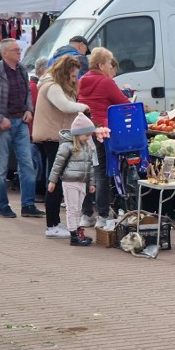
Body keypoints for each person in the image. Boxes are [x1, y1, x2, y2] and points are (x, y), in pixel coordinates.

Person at [0, 39, 45, 219]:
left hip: (20, 123)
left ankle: (28, 205)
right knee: (0, 168)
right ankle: (3, 206)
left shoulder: (22, 70)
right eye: (15, 50)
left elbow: (27, 92)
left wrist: (29, 109)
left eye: (19, 49)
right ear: (4, 53)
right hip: (3, 126)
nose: (19, 52)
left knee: (28, 165)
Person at [32, 56, 90, 239]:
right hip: (53, 137)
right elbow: (65, 106)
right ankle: (52, 225)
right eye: (72, 75)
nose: (75, 79)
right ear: (64, 73)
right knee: (55, 181)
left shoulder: (55, 85)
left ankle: (55, 223)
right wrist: (84, 106)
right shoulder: (52, 86)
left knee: (56, 180)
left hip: (58, 136)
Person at [77, 47, 131, 228]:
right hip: (101, 132)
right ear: (101, 65)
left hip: (84, 131)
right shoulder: (106, 82)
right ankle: (102, 216)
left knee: (87, 173)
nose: (111, 67)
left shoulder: (83, 80)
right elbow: (124, 104)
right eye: (109, 63)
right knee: (101, 173)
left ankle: (86, 215)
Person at [47, 112, 96, 247]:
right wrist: (53, 181)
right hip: (70, 181)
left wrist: (91, 183)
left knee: (77, 208)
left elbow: (90, 166)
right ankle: (73, 234)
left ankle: (76, 231)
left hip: (81, 182)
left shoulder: (87, 147)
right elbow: (58, 165)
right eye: (86, 135)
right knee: (72, 208)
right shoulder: (67, 146)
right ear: (78, 134)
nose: (88, 138)